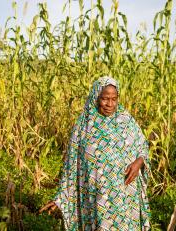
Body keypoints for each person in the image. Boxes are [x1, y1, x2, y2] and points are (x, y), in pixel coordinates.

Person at [41, 76, 150, 230]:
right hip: (96, 198)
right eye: (105, 99)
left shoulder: (127, 121)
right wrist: (61, 198)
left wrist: (139, 162)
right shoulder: (83, 126)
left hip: (125, 195)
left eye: (114, 99)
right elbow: (71, 166)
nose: (110, 104)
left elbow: (143, 147)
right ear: (96, 97)